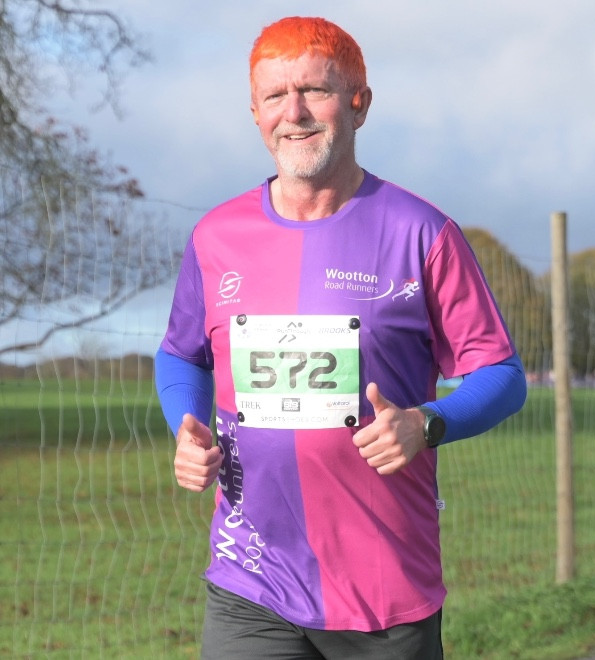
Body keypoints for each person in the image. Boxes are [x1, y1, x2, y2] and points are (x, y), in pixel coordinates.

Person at [155, 15, 527, 660]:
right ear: (255, 113)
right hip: (250, 579)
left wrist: (426, 423)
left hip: (383, 589)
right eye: (275, 96)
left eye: (315, 91)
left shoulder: (422, 233)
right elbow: (181, 353)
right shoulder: (216, 237)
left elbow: (502, 375)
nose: (293, 113)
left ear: (359, 103)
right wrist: (187, 429)